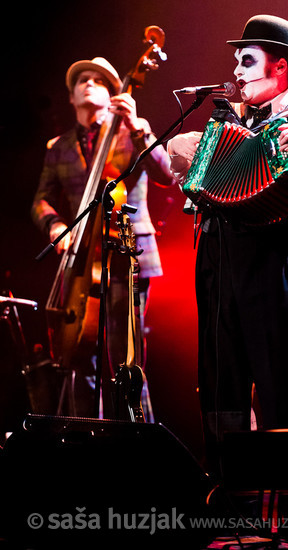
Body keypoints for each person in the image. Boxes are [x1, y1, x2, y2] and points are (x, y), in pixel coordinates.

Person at [168, 15, 288, 543]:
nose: (235, 68)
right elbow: (178, 159)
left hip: (279, 259)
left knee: (285, 382)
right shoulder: (228, 123)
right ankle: (231, 497)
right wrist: (180, 150)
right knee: (222, 380)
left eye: (246, 59)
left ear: (281, 66)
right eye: (236, 59)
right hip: (220, 259)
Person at [32, 56, 174, 420]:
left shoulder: (132, 132)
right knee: (79, 356)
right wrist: (54, 226)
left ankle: (138, 440)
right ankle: (85, 442)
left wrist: (139, 126)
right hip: (81, 260)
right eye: (82, 80)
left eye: (98, 79)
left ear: (113, 93)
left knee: (123, 355)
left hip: (128, 254)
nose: (89, 83)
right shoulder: (58, 147)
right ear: (71, 96)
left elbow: (167, 174)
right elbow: (42, 199)